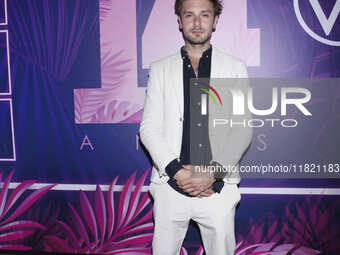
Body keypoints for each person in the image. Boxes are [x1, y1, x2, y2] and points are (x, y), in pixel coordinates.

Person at [139, 0, 253, 254]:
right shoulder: (160, 69)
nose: (198, 22)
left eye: (205, 15)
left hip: (218, 189)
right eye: (189, 15)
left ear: (215, 21)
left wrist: (212, 173)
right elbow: (149, 128)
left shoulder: (234, 68)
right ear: (179, 21)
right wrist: (178, 172)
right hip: (170, 187)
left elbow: (242, 128)